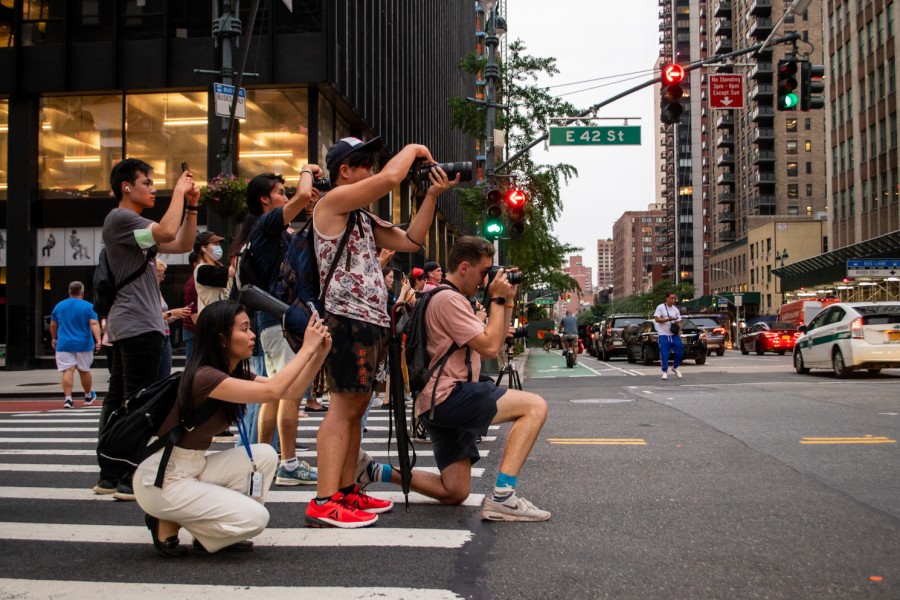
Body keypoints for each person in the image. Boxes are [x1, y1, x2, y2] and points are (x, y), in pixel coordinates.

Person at [307, 137, 460, 528]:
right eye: (367, 166)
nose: (375, 173)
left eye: (376, 166)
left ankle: (346, 490)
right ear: (346, 171)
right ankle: (324, 500)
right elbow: (393, 176)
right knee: (344, 408)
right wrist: (413, 149)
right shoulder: (331, 204)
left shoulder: (361, 217)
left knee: (357, 409)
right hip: (346, 319)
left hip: (371, 321)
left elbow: (411, 240)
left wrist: (432, 195)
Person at [359, 236, 550, 522]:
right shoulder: (448, 299)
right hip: (449, 396)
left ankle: (373, 471)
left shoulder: (451, 298)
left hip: (436, 401)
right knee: (535, 406)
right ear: (464, 267)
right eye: (484, 272)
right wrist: (497, 298)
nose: (486, 279)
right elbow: (489, 347)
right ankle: (503, 498)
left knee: (455, 490)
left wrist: (506, 300)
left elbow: (494, 338)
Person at [134, 300, 331, 557]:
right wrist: (306, 348)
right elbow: (274, 390)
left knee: (264, 456)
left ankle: (209, 529)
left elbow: (289, 391)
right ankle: (170, 519)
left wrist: (320, 353)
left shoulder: (232, 373)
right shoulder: (204, 377)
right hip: (161, 480)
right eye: (244, 329)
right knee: (256, 519)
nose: (252, 336)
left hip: (193, 469)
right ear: (222, 339)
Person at [97, 158, 200, 501]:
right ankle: (128, 476)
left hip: (137, 324)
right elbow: (168, 232)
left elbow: (182, 243)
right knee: (139, 402)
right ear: (127, 187)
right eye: (148, 182)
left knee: (120, 400)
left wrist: (193, 207)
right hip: (138, 324)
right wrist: (180, 193)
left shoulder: (133, 228)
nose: (154, 188)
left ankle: (110, 474)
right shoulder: (120, 218)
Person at [246, 169, 322, 486]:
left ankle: (263, 461)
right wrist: (306, 171)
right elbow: (303, 196)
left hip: (277, 320)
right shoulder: (266, 226)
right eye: (280, 191)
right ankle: (288, 463)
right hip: (278, 321)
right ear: (266, 199)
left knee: (274, 394)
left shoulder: (283, 233)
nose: (285, 195)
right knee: (289, 391)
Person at [50, 281, 101, 409]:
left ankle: (68, 399)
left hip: (64, 344)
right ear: (82, 292)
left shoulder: (59, 306)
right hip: (84, 344)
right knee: (84, 370)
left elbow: (53, 325)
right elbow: (94, 323)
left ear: (69, 291)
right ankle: (88, 396)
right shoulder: (89, 306)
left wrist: (53, 337)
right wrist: (98, 340)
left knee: (67, 370)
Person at [192, 230, 234, 316]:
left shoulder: (218, 267)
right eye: (215, 244)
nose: (218, 247)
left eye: (219, 244)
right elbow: (232, 271)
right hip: (212, 319)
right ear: (203, 248)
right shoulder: (202, 270)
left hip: (223, 316)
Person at [654, 292, 683, 380]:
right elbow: (657, 319)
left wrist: (679, 333)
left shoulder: (675, 309)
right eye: (671, 298)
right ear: (666, 298)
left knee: (680, 351)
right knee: (664, 354)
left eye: (674, 298)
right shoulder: (660, 307)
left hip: (674, 335)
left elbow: (679, 321)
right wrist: (668, 319)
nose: (673, 300)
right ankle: (664, 371)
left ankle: (675, 367)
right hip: (663, 335)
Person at [182, 252, 199, 361]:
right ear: (195, 264)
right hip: (194, 331)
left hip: (199, 330)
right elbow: (194, 313)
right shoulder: (192, 285)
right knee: (193, 365)